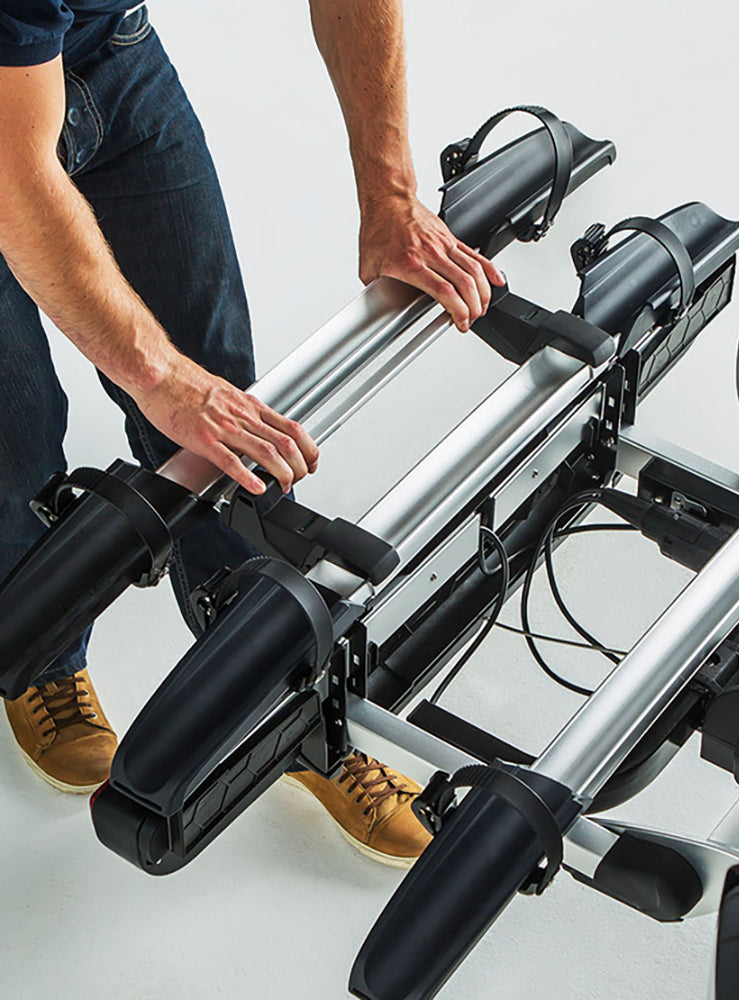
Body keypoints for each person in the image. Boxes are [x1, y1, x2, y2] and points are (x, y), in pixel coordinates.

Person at [0, 0, 504, 868]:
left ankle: (282, 700)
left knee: (227, 404)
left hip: (111, 46)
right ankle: (40, 661)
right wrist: (158, 380)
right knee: (16, 432)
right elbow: (15, 174)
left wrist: (390, 196)